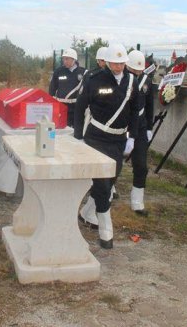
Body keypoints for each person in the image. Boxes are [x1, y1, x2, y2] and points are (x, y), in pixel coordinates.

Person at [74, 44, 140, 249]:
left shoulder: (131, 81)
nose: (119, 66)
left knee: (111, 180)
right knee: (102, 183)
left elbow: (135, 109)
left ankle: (88, 211)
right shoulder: (95, 80)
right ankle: (105, 225)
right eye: (115, 62)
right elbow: (80, 106)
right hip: (97, 138)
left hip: (118, 139)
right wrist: (78, 136)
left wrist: (133, 137)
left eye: (122, 63)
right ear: (108, 62)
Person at [125, 50, 154, 216]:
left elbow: (150, 106)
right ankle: (107, 194)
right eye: (133, 70)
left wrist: (149, 127)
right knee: (115, 164)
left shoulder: (147, 82)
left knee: (141, 166)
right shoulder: (122, 81)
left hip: (141, 128)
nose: (137, 73)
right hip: (123, 127)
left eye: (139, 70)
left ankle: (137, 202)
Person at [49, 48, 85, 128]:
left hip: (76, 108)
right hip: (61, 107)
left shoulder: (83, 72)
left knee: (75, 130)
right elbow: (52, 89)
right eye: (63, 59)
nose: (64, 61)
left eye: (67, 59)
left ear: (74, 59)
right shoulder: (58, 71)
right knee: (61, 129)